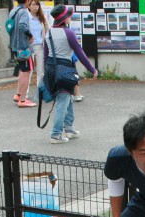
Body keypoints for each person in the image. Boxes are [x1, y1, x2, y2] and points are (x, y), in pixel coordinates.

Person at [45, 5, 98, 144]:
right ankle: (56, 133)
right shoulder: (68, 33)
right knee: (63, 100)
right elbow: (80, 53)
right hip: (65, 68)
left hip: (51, 68)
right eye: (69, 15)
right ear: (64, 18)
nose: (70, 17)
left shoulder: (48, 32)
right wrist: (92, 69)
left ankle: (69, 128)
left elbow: (45, 55)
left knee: (67, 97)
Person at [9, 0, 36, 108]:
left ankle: (18, 94)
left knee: (22, 70)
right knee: (26, 71)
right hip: (23, 47)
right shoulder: (24, 12)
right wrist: (30, 35)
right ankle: (23, 100)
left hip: (14, 45)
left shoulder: (13, 10)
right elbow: (22, 25)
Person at [27, 0, 49, 100]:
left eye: (37, 5)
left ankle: (40, 92)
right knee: (29, 70)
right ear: (29, 6)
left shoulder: (41, 18)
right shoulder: (27, 17)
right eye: (33, 5)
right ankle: (25, 93)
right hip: (29, 46)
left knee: (41, 70)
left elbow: (47, 29)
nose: (35, 7)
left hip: (40, 46)